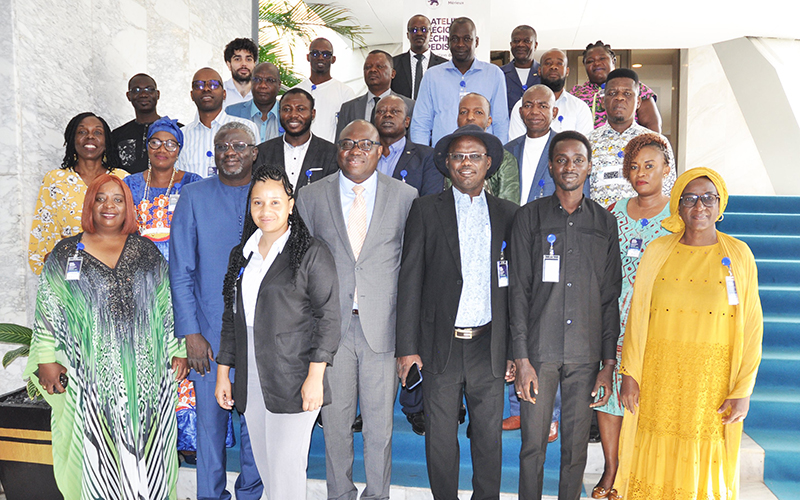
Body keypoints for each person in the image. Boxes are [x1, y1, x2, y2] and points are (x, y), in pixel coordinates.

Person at [25, 173, 187, 500]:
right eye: (101, 199)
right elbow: (48, 307)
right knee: (96, 459)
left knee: (148, 454)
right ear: (90, 205)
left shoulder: (146, 252)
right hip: (89, 380)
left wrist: (177, 349)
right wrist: (45, 359)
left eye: (117, 199)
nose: (108, 206)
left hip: (144, 379)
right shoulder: (65, 253)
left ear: (128, 207)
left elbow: (166, 305)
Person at [615, 168, 763, 500]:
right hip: (659, 377)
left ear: (720, 204)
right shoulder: (658, 251)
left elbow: (753, 326)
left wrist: (743, 389)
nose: (699, 206)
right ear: (678, 206)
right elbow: (638, 315)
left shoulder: (739, 255)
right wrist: (630, 373)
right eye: (690, 198)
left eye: (708, 198)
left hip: (711, 384)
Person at [296, 120, 418, 500]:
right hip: (330, 330)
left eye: (365, 144)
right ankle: (340, 494)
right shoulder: (311, 196)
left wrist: (409, 340)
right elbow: (300, 266)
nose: (355, 150)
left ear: (381, 151)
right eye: (347, 143)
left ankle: (377, 495)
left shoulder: (406, 196)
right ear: (337, 150)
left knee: (380, 428)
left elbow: (412, 268)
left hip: (383, 328)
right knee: (336, 425)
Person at [396, 124, 518, 499]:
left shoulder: (509, 214)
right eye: (458, 156)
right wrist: (407, 348)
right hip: (440, 343)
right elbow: (409, 280)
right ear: (447, 164)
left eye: (474, 156)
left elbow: (516, 288)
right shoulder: (425, 210)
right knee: (440, 438)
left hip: (489, 343)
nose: (466, 163)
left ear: (488, 164)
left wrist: (515, 349)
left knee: (488, 438)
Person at [215, 166, 340, 500]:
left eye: (274, 202)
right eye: (258, 202)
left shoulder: (312, 252)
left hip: (294, 376)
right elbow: (231, 317)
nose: (265, 210)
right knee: (269, 471)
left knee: (286, 470)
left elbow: (328, 318)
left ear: (291, 204)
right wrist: (224, 374)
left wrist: (315, 377)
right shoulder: (242, 254)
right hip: (251, 375)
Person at [510, 131, 622, 500]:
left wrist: (607, 364)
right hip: (539, 353)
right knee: (532, 447)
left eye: (578, 160)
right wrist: (521, 359)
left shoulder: (605, 223)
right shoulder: (529, 217)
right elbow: (518, 291)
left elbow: (610, 297)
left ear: (589, 167)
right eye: (561, 160)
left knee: (575, 451)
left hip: (585, 354)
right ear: (551, 166)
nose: (569, 166)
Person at [170, 122, 264, 500]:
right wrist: (191, 333)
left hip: (259, 333)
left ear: (254, 152)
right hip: (208, 336)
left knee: (255, 429)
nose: (230, 152)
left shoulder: (268, 196)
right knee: (209, 430)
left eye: (239, 145)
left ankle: (250, 495)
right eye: (223, 146)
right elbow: (180, 270)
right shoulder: (193, 196)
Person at [589, 133, 672, 500]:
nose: (641, 173)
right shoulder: (614, 211)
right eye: (635, 167)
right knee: (608, 393)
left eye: (650, 166)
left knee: (646, 393)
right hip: (614, 317)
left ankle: (639, 469)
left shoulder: (677, 217)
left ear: (666, 169)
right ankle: (612, 467)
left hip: (657, 319)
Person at [29, 112, 128, 275]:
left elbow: (132, 229)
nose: (90, 136)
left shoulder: (122, 178)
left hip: (115, 273)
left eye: (97, 132)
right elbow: (44, 233)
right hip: (70, 277)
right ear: (72, 139)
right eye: (82, 132)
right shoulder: (55, 180)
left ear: (106, 141)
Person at [410, 17, 509, 146]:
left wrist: (499, 155)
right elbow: (421, 124)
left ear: (476, 42)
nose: (460, 44)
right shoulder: (432, 76)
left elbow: (501, 123)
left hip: (482, 154)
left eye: (467, 39)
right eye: (455, 39)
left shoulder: (494, 74)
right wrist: (422, 155)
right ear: (448, 42)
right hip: (442, 155)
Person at [588, 68, 676, 208]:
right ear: (603, 102)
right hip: (598, 220)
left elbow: (668, 191)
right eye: (612, 93)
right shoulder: (587, 143)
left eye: (627, 93)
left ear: (638, 102)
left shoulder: (657, 142)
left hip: (645, 220)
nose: (620, 98)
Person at [124, 116, 202, 261]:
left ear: (178, 150)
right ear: (147, 146)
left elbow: (202, 230)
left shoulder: (193, 183)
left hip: (183, 261)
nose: (162, 149)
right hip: (139, 263)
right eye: (155, 142)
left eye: (170, 144)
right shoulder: (130, 183)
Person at [176, 67, 260, 178]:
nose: (206, 89)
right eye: (199, 85)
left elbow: (257, 171)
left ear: (224, 94)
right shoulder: (181, 135)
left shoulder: (246, 128)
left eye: (213, 84)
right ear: (191, 95)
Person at [253, 88, 338, 190]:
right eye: (287, 109)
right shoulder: (262, 152)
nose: (293, 115)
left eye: (300, 109)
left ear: (313, 113)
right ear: (279, 113)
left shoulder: (331, 152)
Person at [570, 41, 662, 133]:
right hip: (586, 141)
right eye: (590, 61)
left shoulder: (635, 87)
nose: (596, 63)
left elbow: (652, 124)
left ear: (613, 61)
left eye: (602, 58)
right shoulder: (576, 93)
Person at [451, 92, 520, 203]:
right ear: (457, 120)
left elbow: (508, 206)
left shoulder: (505, 159)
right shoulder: (448, 155)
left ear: (489, 121)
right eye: (463, 112)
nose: (470, 117)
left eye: (478, 112)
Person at [509, 49, 593, 139]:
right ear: (539, 70)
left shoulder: (580, 107)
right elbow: (516, 143)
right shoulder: (522, 106)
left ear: (567, 71)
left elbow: (583, 144)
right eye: (548, 63)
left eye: (559, 63)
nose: (553, 67)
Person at [336, 49, 415, 140]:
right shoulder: (348, 108)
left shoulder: (409, 105)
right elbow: (340, 143)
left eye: (379, 66)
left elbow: (414, 143)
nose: (372, 70)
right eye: (368, 67)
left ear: (392, 74)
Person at [374, 94, 443, 196]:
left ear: (407, 121)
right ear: (374, 120)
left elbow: (431, 200)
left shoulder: (427, 157)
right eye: (381, 111)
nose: (387, 115)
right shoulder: (364, 154)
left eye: (395, 111)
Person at [292, 37, 356, 143]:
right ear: (308, 57)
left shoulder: (345, 93)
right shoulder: (295, 92)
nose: (320, 58)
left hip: (331, 151)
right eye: (315, 53)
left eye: (326, 54)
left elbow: (351, 130)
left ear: (333, 59)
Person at [112, 73, 169, 174]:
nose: (143, 94)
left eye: (149, 89)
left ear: (158, 94)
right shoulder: (117, 135)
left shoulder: (177, 130)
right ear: (129, 96)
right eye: (136, 90)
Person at [392, 14, 448, 100]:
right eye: (414, 30)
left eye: (424, 29)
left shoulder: (444, 65)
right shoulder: (393, 63)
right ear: (408, 35)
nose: (419, 33)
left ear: (431, 34)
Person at [226, 62, 282, 143]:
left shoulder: (288, 114)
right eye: (257, 80)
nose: (263, 85)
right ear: (251, 82)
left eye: (270, 80)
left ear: (279, 85)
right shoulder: (232, 113)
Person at [500, 25, 541, 116]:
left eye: (527, 41)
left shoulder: (544, 73)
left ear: (535, 45)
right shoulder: (499, 74)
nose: (520, 44)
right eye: (516, 41)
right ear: (511, 45)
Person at [222, 37, 258, 108]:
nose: (244, 64)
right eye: (237, 59)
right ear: (229, 64)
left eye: (248, 59)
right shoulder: (219, 93)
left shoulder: (262, 93)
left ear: (254, 64)